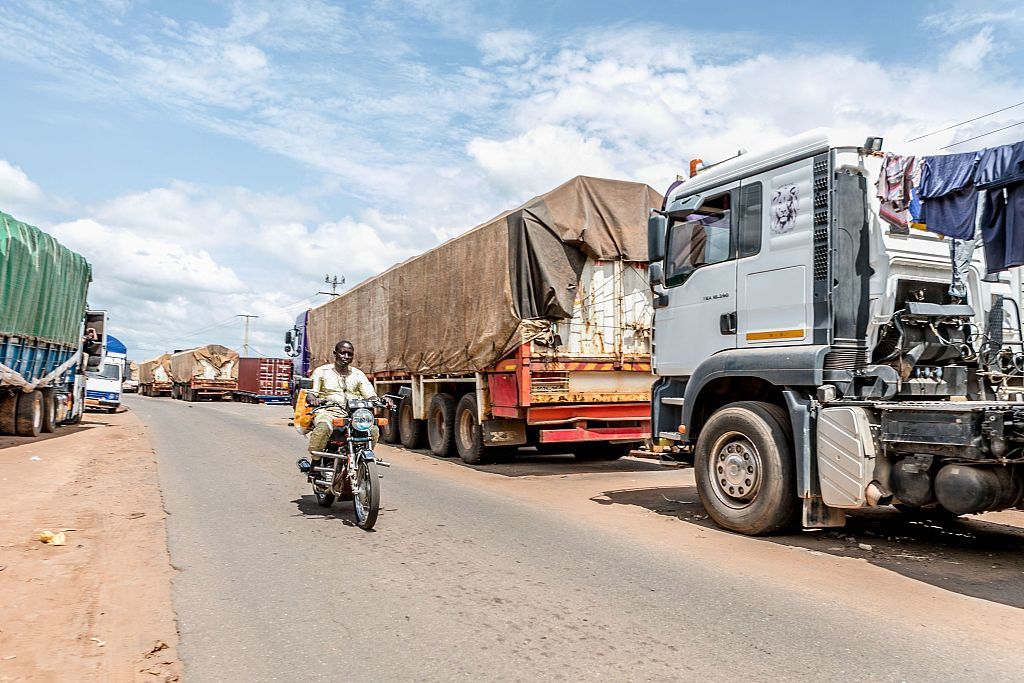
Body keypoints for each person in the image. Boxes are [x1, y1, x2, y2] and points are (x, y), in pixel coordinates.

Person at [297, 340, 380, 473]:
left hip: (353, 415)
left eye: (349, 354)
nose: (346, 356)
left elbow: (370, 394)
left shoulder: (358, 374)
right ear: (335, 354)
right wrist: (313, 399)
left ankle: (362, 460)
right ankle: (316, 461)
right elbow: (311, 393)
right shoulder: (322, 372)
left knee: (373, 429)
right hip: (328, 411)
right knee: (323, 426)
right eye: (343, 353)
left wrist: (380, 400)